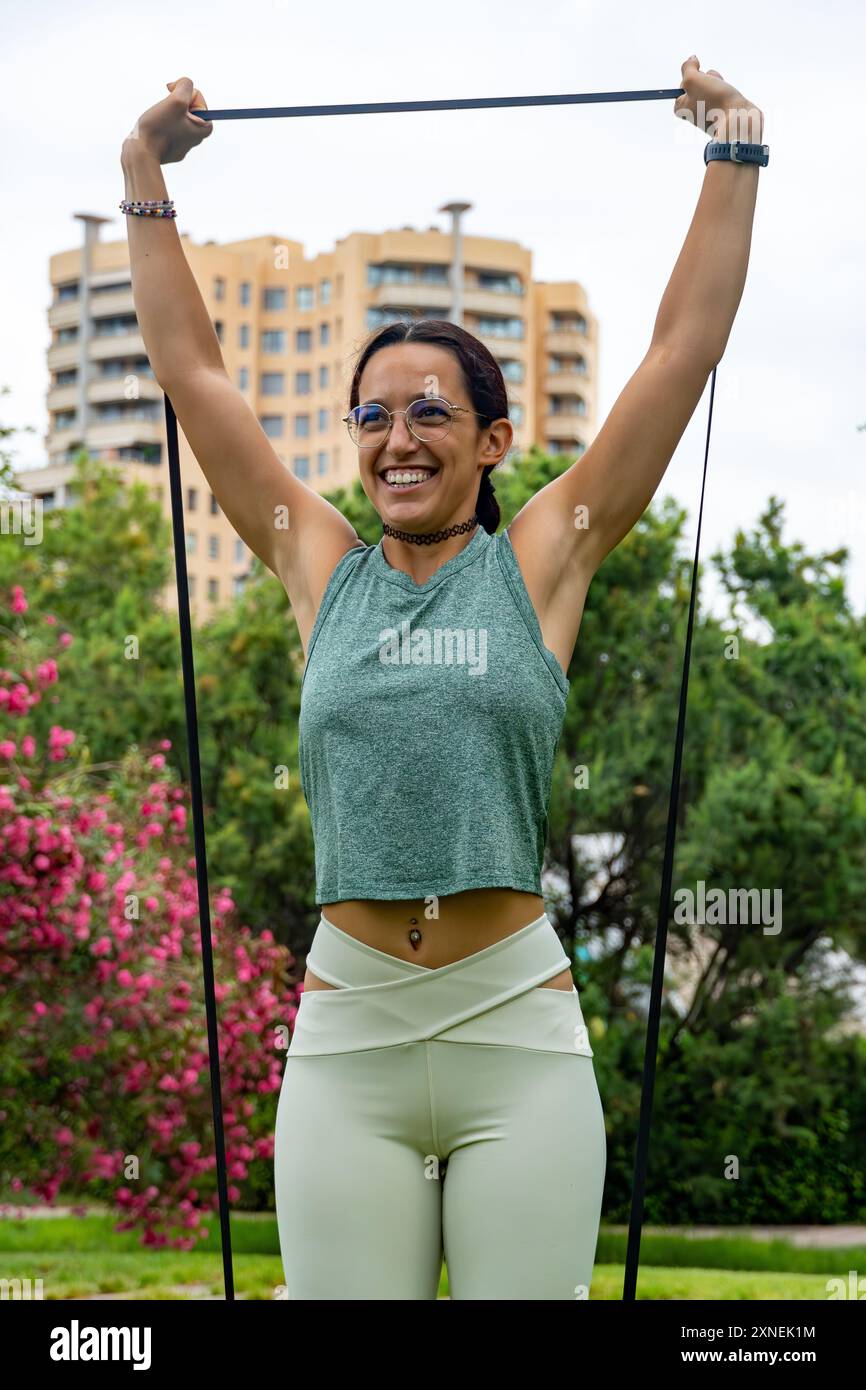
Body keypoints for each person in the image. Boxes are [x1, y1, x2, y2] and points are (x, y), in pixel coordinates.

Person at [121, 59, 764, 1299]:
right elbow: (195, 377)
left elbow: (681, 351)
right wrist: (144, 182)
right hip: (348, 1031)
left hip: (512, 1028)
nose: (395, 440)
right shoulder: (319, 565)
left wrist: (732, 153)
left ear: (489, 439)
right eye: (371, 419)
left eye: (425, 414)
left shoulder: (542, 562)